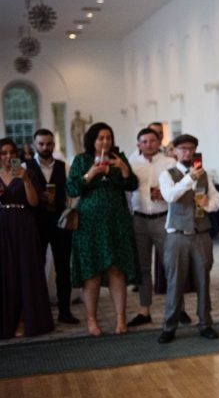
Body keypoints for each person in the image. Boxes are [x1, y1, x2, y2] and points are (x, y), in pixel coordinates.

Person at [67, 122, 139, 336]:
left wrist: (122, 169)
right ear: (92, 140)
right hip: (89, 224)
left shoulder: (119, 158)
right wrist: (91, 174)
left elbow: (132, 184)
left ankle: (120, 319)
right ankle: (92, 320)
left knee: (116, 269)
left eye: (108, 137)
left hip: (116, 222)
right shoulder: (81, 160)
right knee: (92, 272)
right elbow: (72, 188)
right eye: (100, 138)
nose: (105, 141)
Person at [157, 134, 219, 343]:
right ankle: (169, 326)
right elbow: (170, 196)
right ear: (174, 151)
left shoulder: (205, 174)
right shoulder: (167, 174)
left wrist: (208, 206)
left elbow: (216, 198)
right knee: (175, 282)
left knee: (204, 280)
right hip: (177, 234)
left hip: (201, 233)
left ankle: (205, 323)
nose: (188, 152)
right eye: (183, 148)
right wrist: (190, 178)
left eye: (191, 148)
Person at [0, 138, 54, 339]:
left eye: (11, 153)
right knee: (6, 274)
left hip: (24, 225)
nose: (8, 157)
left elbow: (33, 202)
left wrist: (25, 180)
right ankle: (7, 322)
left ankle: (26, 320)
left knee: (25, 273)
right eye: (3, 153)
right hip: (2, 225)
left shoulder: (27, 173)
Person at [26, 128, 78, 324]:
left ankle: (65, 311)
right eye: (41, 144)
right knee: (35, 266)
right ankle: (39, 312)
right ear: (34, 145)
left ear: (53, 145)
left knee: (63, 268)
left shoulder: (64, 167)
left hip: (59, 222)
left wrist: (70, 213)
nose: (45, 147)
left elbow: (71, 194)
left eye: (48, 144)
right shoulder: (24, 166)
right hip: (35, 223)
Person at [127, 128, 176, 327]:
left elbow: (178, 191)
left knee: (171, 265)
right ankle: (144, 310)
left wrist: (164, 194)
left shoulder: (170, 163)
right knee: (143, 267)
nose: (148, 144)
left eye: (152, 140)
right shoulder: (131, 163)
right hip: (139, 219)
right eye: (144, 141)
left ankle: (177, 308)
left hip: (162, 218)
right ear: (138, 144)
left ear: (159, 142)